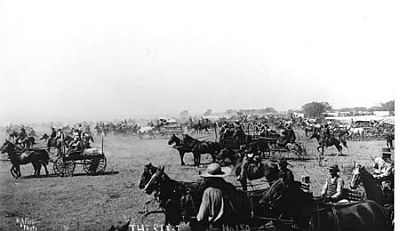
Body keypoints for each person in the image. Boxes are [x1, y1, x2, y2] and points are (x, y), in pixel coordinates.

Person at [196, 163, 234, 231]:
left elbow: (201, 216)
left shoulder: (208, 192)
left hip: (214, 226)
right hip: (228, 225)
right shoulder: (229, 187)